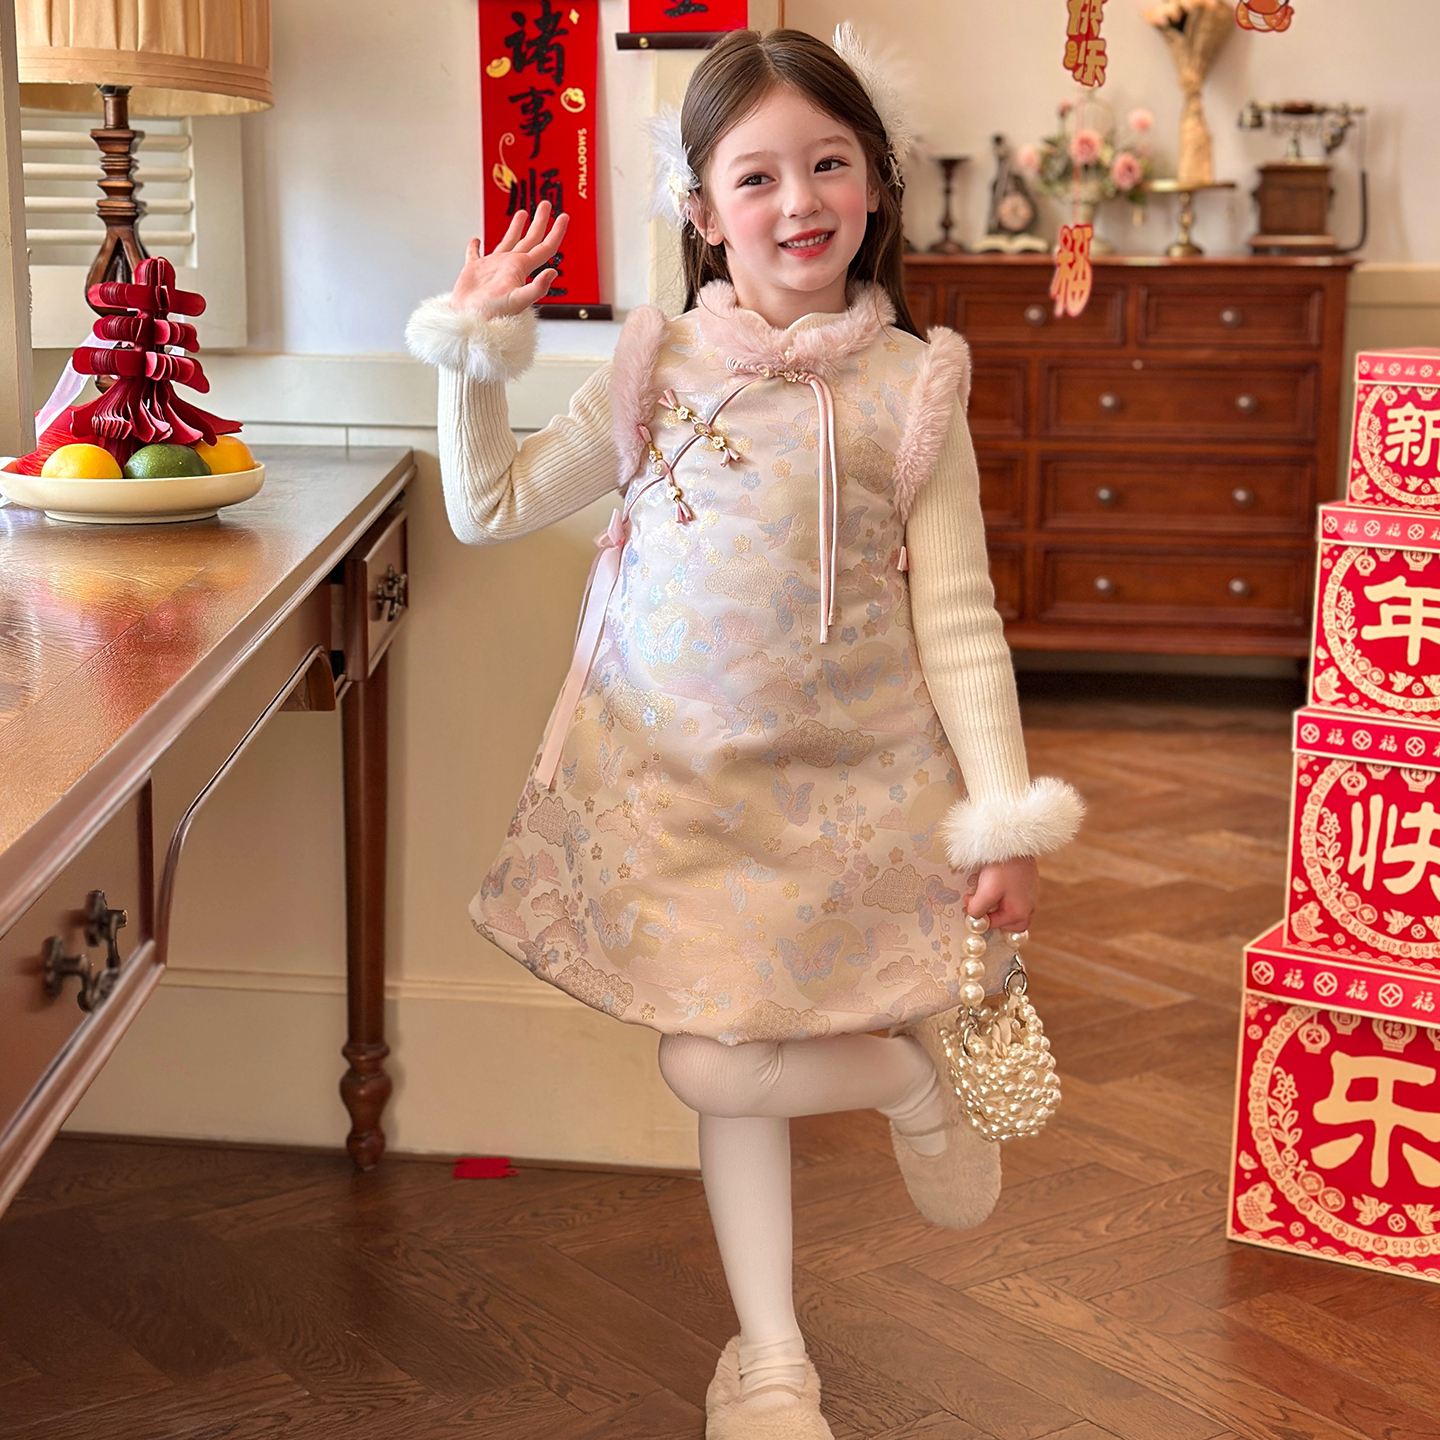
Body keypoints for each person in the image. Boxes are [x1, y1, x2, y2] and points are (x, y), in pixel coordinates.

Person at [406, 27, 1083, 1440]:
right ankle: (877, 1155)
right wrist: (471, 352)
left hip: (862, 796)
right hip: (680, 798)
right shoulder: (654, 367)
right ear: (703, 211)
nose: (799, 201)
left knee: (739, 1061)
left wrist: (1006, 818)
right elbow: (490, 505)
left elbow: (961, 620)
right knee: (717, 1060)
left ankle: (774, 1354)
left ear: (876, 183)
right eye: (757, 175)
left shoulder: (915, 386)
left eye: (828, 163)